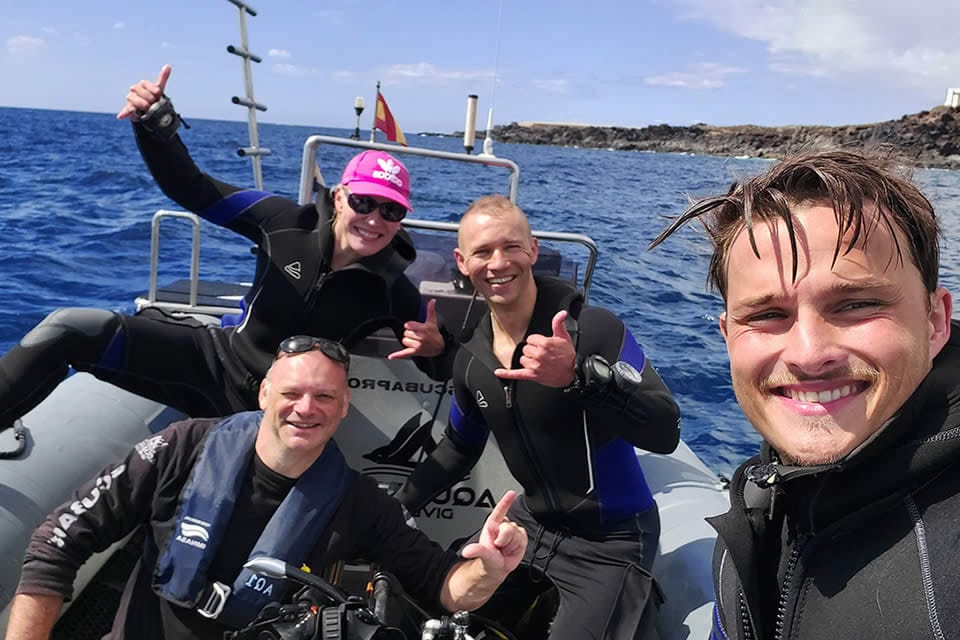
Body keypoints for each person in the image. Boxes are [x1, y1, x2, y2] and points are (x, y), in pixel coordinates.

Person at [0, 63, 451, 432]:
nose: (374, 219)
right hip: (214, 363)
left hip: (280, 415)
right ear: (338, 196)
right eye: (363, 202)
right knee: (70, 328)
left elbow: (447, 364)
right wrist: (156, 125)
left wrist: (435, 349)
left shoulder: (391, 283)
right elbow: (191, 189)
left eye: (391, 212)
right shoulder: (286, 224)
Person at [6, 335, 526, 640]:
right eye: (292, 392)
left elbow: (442, 585)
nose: (306, 408)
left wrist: (488, 568)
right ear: (263, 393)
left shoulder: (358, 502)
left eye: (324, 396)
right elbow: (59, 541)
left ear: (344, 408)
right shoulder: (183, 447)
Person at [648, 149, 959, 640]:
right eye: (767, 315)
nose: (810, 355)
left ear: (936, 320)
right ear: (728, 335)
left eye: (856, 304)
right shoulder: (763, 501)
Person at [395, 194, 681, 640]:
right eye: (482, 252)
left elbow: (665, 429)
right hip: (530, 527)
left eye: (511, 246)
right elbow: (459, 447)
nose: (498, 262)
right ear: (461, 261)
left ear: (532, 250)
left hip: (612, 539)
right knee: (440, 615)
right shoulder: (471, 358)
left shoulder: (594, 330)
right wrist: (400, 504)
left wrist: (579, 376)